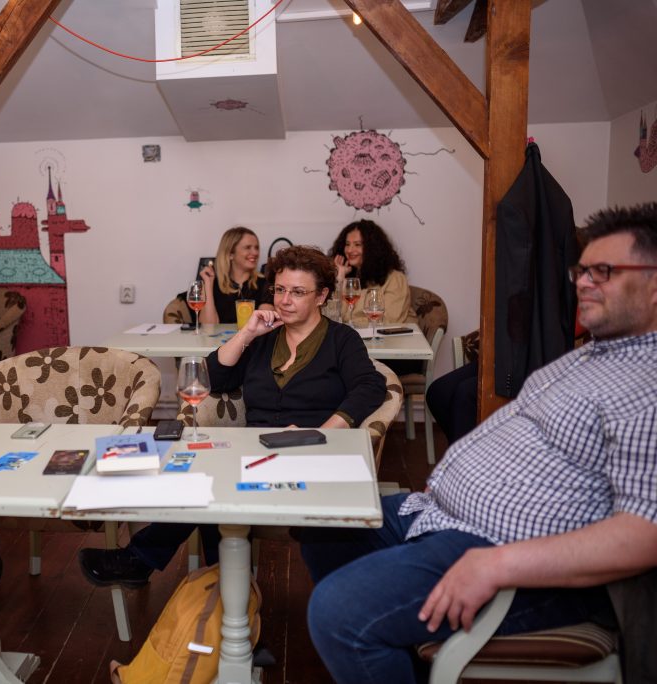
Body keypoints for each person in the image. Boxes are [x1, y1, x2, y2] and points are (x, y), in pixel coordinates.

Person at [301, 203, 657, 684]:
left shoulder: (647, 382)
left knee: (338, 612)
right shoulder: (590, 355)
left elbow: (645, 533)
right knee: (318, 522)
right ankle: (393, 655)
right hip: (438, 515)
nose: (583, 283)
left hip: (506, 554)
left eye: (604, 271)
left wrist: (497, 563)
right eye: (582, 271)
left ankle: (373, 636)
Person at [79, 246, 386, 588]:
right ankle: (223, 585)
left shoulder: (341, 340)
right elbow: (211, 379)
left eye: (298, 292)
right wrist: (246, 333)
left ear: (321, 296)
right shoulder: (265, 339)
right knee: (203, 480)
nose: (285, 301)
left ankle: (163, 567)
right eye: (280, 290)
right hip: (255, 452)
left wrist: (324, 432)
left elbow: (370, 386)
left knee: (213, 489)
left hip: (311, 454)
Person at [330, 219, 416, 328]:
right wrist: (339, 278)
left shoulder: (395, 279)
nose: (350, 250)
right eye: (347, 244)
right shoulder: (350, 278)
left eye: (357, 244)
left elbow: (388, 321)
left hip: (393, 338)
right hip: (357, 336)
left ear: (372, 248)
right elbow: (333, 317)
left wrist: (350, 323)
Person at [197, 226, 274, 325]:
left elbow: (264, 324)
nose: (255, 253)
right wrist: (208, 284)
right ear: (230, 254)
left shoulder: (266, 284)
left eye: (256, 248)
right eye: (247, 247)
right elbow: (208, 326)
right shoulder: (213, 285)